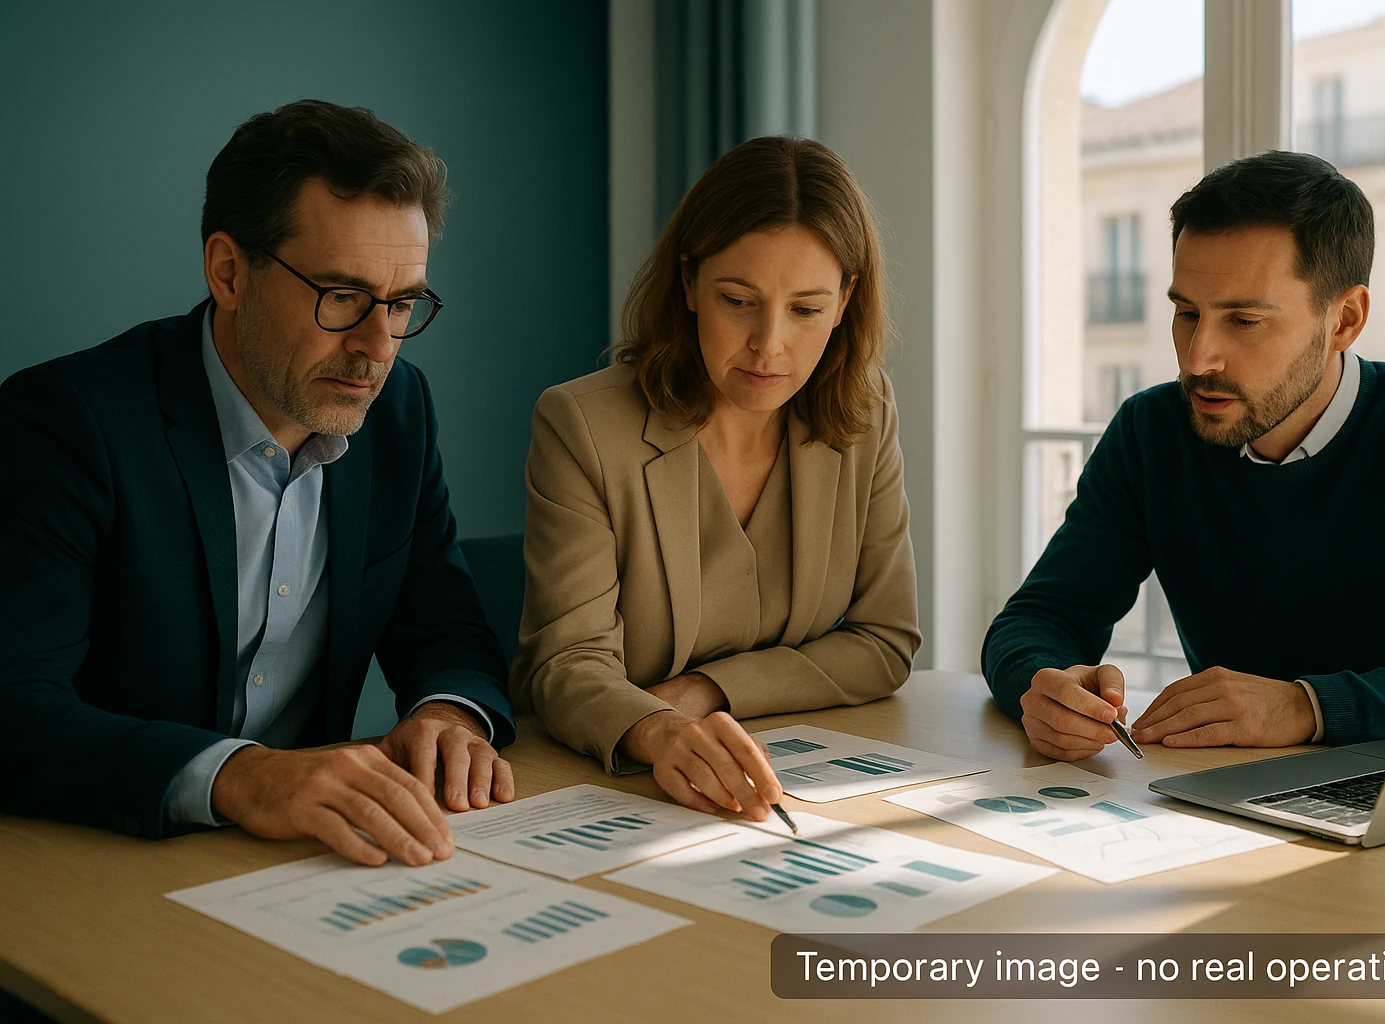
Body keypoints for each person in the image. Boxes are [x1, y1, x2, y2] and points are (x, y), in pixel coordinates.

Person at [0, 100, 516, 867]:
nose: (379, 347)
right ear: (230, 271)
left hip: (312, 862)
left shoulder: (399, 411)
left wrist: (450, 714)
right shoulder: (67, 423)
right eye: (342, 296)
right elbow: (15, 709)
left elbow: (445, 624)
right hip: (107, 860)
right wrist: (244, 776)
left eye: (403, 302)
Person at [983, 150, 1385, 762]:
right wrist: (1043, 685)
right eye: (1186, 313)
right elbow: (1038, 619)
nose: (1198, 359)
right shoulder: (1151, 432)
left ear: (1345, 320)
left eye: (1244, 320)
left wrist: (1308, 706)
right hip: (1222, 795)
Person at [513, 136, 920, 822]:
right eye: (739, 300)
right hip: (606, 789)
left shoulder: (865, 409)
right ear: (690, 283)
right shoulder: (580, 424)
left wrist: (709, 689)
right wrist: (659, 728)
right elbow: (566, 667)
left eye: (806, 309)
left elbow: (885, 643)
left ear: (847, 300)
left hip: (786, 781)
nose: (770, 344)